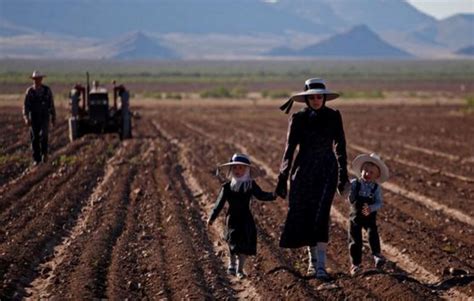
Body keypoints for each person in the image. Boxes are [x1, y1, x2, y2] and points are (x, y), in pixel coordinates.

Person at [275, 78, 350, 280]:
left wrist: (343, 174)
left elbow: (340, 146)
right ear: (306, 99)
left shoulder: (334, 116)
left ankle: (321, 267)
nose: (316, 100)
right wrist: (282, 176)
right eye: (312, 97)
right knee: (306, 214)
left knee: (321, 215)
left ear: (324, 98)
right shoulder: (298, 118)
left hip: (327, 170)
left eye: (320, 96)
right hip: (303, 171)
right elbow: (289, 149)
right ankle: (311, 263)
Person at [207, 153, 276, 279]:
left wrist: (274, 195)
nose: (238, 170)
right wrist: (212, 217)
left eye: (241, 168)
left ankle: (240, 269)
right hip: (232, 218)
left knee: (243, 245)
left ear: (247, 169)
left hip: (245, 219)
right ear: (231, 169)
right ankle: (231, 265)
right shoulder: (227, 187)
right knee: (232, 243)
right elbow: (219, 203)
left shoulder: (250, 185)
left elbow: (261, 195)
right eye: (235, 168)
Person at [348, 153, 389, 276]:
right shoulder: (355, 183)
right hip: (355, 217)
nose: (367, 174)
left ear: (377, 175)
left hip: (369, 216)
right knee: (355, 240)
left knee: (372, 233)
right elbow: (349, 197)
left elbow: (379, 203)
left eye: (371, 173)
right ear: (361, 171)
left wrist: (371, 208)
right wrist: (350, 192)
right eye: (365, 171)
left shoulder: (376, 188)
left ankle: (377, 255)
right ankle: (355, 265)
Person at [23, 70, 56, 165]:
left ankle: (44, 154)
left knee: (44, 134)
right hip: (33, 117)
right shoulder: (30, 91)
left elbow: (51, 105)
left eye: (39, 79)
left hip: (44, 116)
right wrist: (26, 118)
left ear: (41, 79)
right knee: (34, 138)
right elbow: (26, 106)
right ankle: (36, 159)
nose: (37, 80)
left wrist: (53, 117)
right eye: (35, 79)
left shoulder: (47, 90)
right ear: (33, 80)